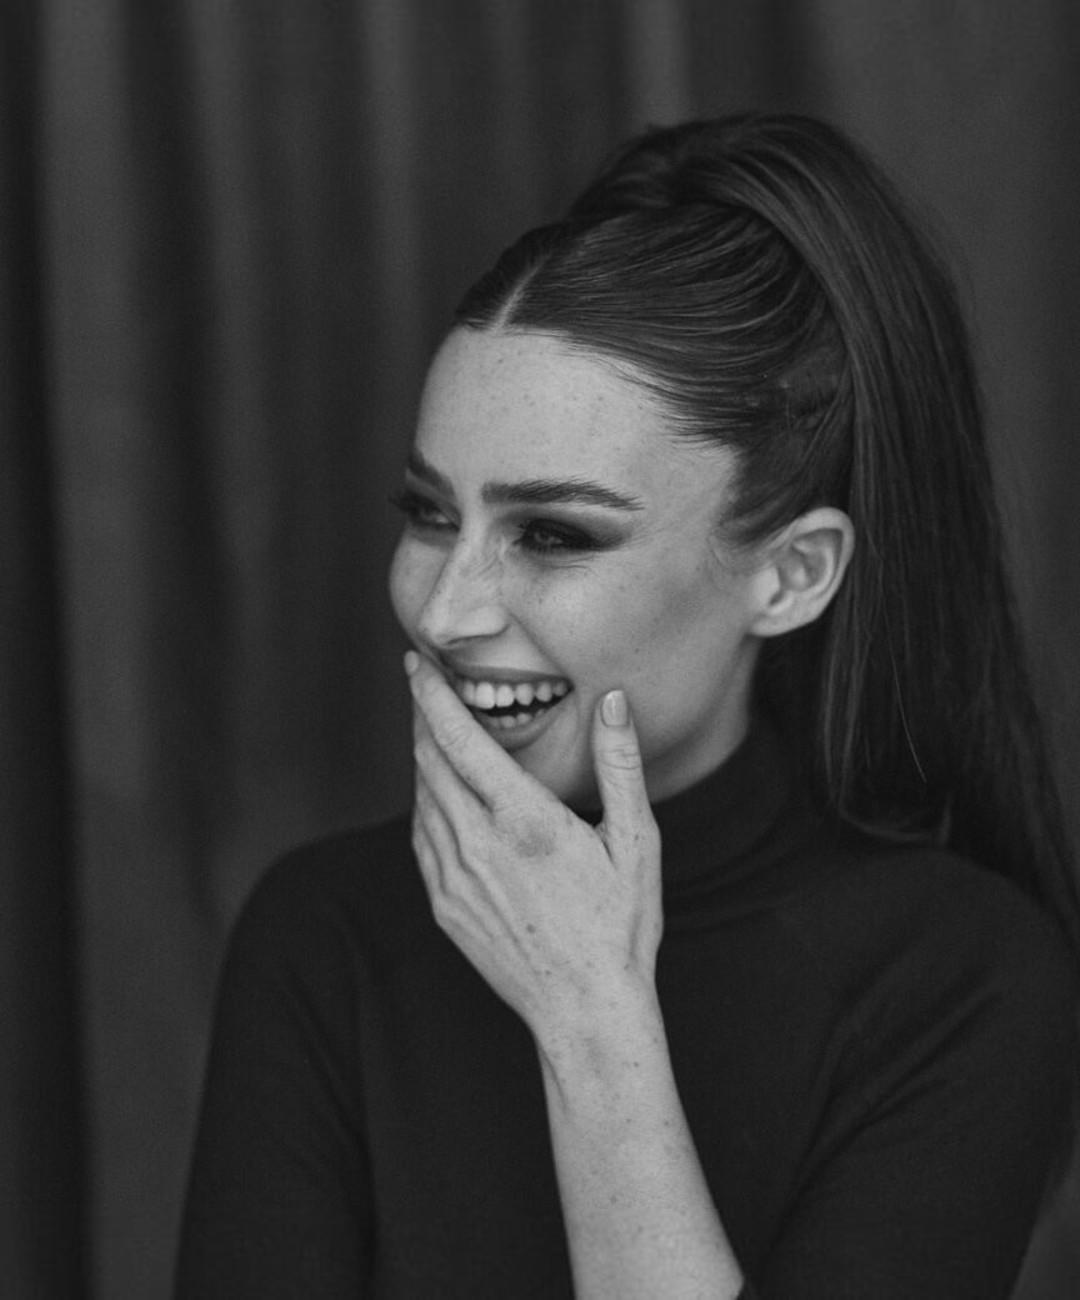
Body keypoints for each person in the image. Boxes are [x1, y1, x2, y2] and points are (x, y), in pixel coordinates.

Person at [175, 113, 1080, 1299]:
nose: (445, 608)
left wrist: (592, 1021)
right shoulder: (325, 938)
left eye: (554, 533)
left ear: (791, 574)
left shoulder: (962, 980)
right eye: (432, 514)